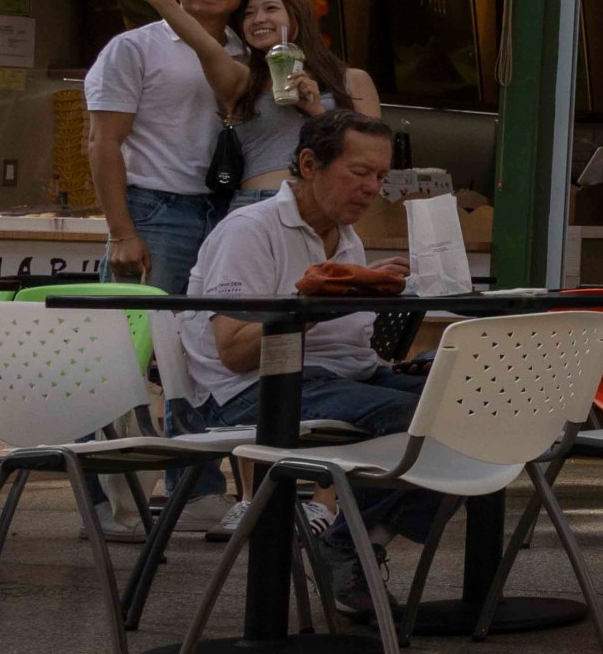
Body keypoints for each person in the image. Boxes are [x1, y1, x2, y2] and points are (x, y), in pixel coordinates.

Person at [176, 108, 423, 616]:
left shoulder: (346, 236)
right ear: (309, 164)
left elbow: (350, 348)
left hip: (338, 377)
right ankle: (350, 545)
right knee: (415, 419)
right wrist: (324, 300)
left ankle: (356, 540)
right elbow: (235, 352)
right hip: (255, 390)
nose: (373, 187)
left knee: (473, 403)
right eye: (359, 172)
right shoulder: (251, 229)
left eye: (380, 176)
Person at [84, 0, 254, 289]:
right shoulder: (133, 48)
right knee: (139, 337)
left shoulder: (251, 56)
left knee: (203, 340)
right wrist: (121, 233)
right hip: (155, 212)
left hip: (230, 212)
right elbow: (103, 141)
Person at [227, 0, 382, 191]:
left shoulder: (352, 79)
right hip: (253, 205)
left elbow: (375, 154)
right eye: (248, 13)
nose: (258, 19)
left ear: (299, 16)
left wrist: (317, 112)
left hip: (322, 209)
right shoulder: (241, 80)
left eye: (270, 8)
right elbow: (203, 46)